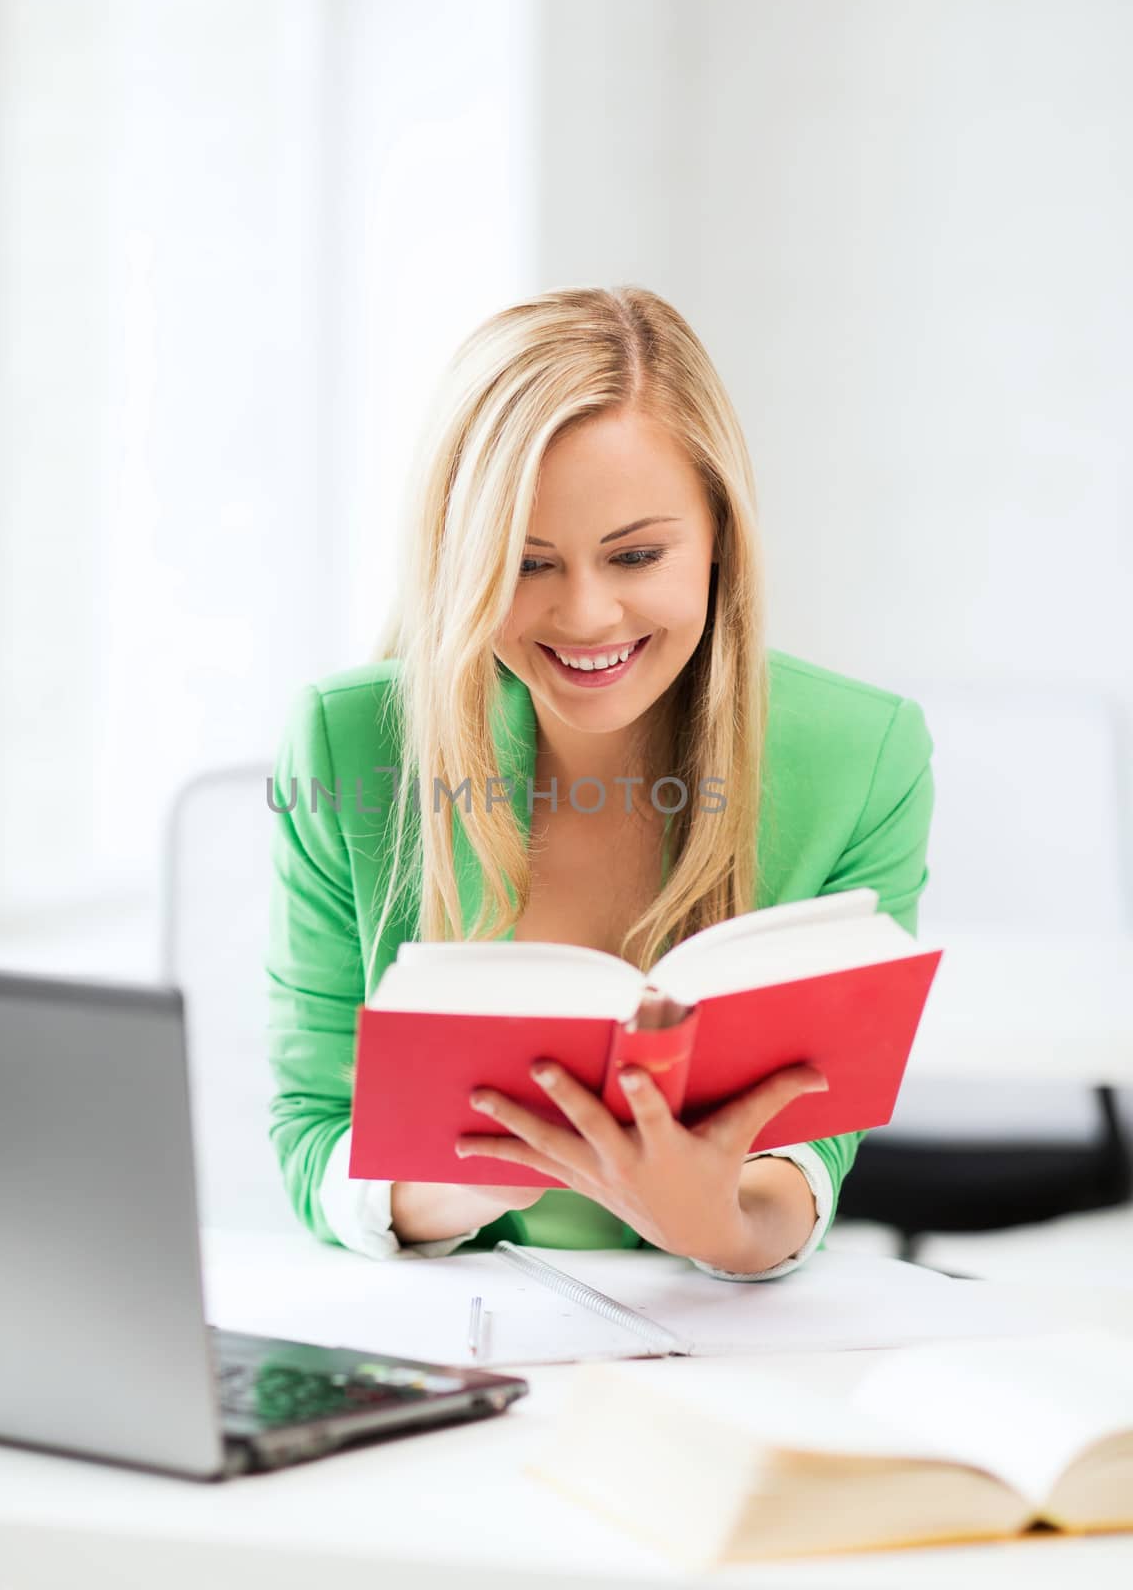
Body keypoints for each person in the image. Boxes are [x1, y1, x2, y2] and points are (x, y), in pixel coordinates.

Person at [265, 285, 934, 1279]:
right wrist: (460, 1179)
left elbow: (809, 1151)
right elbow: (313, 1127)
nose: (585, 615)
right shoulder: (346, 740)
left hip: (709, 1349)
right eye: (524, 562)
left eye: (634, 554)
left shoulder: (861, 754)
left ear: (718, 539)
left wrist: (713, 1220)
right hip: (454, 1341)